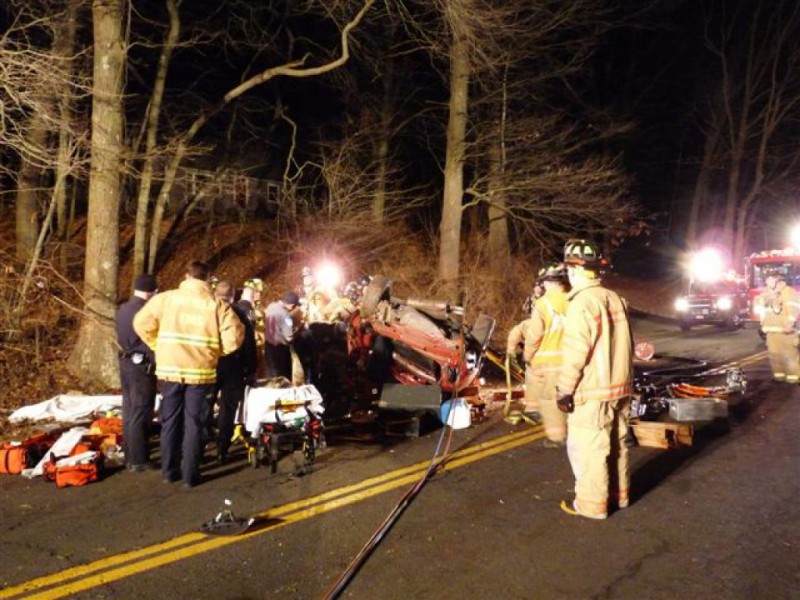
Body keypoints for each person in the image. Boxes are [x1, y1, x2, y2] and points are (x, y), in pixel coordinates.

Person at [133, 260, 244, 488]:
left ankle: (169, 471)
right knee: (194, 423)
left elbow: (141, 323)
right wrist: (216, 352)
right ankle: (190, 476)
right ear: (208, 279)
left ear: (186, 276)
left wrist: (157, 345)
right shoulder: (216, 305)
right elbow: (234, 337)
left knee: (169, 421)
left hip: (170, 369)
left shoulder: (165, 299)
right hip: (200, 371)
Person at [556, 240, 633, 520]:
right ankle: (620, 496)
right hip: (620, 387)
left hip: (593, 391)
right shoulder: (614, 298)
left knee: (590, 449)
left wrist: (564, 391)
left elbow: (576, 353)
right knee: (617, 446)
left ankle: (591, 506)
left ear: (574, 270)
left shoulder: (581, 303)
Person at [523, 263, 570, 447]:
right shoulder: (574, 300)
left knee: (551, 400)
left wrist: (528, 356)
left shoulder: (543, 304)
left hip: (550, 362)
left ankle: (556, 438)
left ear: (547, 282)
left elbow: (534, 336)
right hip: (573, 359)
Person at [115, 273, 159, 472]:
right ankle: (139, 459)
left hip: (126, 362)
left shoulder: (123, 309)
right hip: (141, 365)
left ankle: (129, 454)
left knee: (129, 410)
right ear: (151, 292)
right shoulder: (144, 311)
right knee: (141, 410)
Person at [213, 281, 258, 463]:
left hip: (209, 365)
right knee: (228, 409)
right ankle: (222, 449)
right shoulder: (239, 314)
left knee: (203, 406)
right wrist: (251, 369)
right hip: (234, 367)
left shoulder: (207, 312)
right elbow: (249, 343)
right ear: (233, 296)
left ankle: (198, 445)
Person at [757, 270, 800, 383]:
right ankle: (779, 376)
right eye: (767, 280)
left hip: (785, 330)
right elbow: (758, 306)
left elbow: (794, 308)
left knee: (789, 355)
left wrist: (790, 323)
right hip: (771, 330)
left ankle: (793, 377)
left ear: (777, 279)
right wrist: (767, 298)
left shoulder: (788, 292)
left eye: (771, 280)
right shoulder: (765, 293)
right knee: (775, 356)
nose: (768, 282)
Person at [264, 291, 300, 380]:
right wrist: (298, 331)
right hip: (280, 351)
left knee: (271, 378)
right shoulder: (286, 316)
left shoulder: (271, 306)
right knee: (283, 379)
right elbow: (289, 337)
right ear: (292, 305)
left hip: (268, 348)